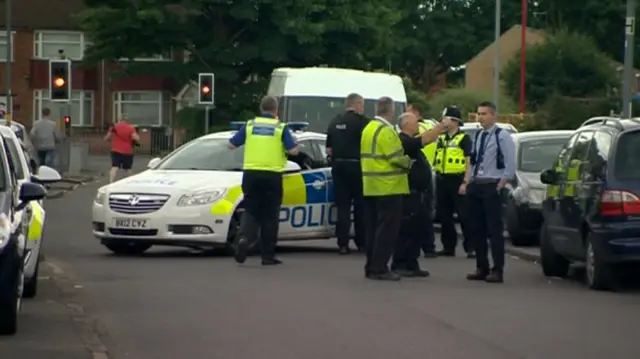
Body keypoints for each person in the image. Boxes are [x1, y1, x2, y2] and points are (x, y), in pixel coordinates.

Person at [231, 96, 299, 266]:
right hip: (272, 176)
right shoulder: (280, 128)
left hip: (251, 173)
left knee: (251, 210)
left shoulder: (249, 125)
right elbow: (294, 151)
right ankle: (267, 255)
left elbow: (231, 145)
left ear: (261, 109)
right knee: (270, 215)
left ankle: (244, 239)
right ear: (276, 110)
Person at [466, 101, 515, 283]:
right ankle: (482, 266)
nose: (481, 117)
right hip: (477, 183)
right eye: (479, 114)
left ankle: (497, 269)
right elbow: (473, 160)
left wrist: (501, 183)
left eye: (485, 114)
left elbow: (510, 162)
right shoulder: (478, 135)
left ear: (493, 115)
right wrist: (469, 180)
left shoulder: (502, 136)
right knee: (476, 228)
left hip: (492, 184)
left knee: (494, 229)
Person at [391, 112, 443, 277]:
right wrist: (441, 126)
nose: (418, 125)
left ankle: (412, 263)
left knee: (417, 229)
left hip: (419, 193)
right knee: (406, 229)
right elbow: (425, 139)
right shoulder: (404, 141)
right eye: (415, 123)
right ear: (406, 124)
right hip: (409, 193)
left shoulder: (410, 141)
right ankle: (400, 263)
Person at [325, 93, 370, 255]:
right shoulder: (363, 122)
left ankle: (342, 244)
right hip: (357, 167)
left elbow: (328, 149)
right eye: (362, 105)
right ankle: (362, 243)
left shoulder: (335, 121)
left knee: (343, 206)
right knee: (360, 206)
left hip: (338, 167)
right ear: (357, 104)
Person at [434, 106, 474, 258]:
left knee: (464, 216)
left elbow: (468, 161)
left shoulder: (464, 139)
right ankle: (448, 247)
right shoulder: (441, 138)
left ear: (454, 121)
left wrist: (465, 182)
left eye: (446, 118)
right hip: (442, 179)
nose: (443, 121)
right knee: (444, 215)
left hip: (457, 180)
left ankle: (470, 247)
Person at [409, 103, 438, 257]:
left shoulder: (420, 129)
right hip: (426, 173)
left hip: (427, 174)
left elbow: (424, 140)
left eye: (410, 112)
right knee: (423, 214)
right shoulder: (429, 126)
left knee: (424, 214)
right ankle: (427, 247)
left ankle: (427, 246)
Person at [104, 117, 140, 183]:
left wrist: (109, 139)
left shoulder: (114, 127)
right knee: (128, 168)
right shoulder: (130, 128)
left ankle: (111, 181)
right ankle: (133, 182)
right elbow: (137, 138)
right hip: (127, 151)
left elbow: (107, 137)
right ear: (127, 121)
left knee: (114, 167)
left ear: (119, 121)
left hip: (116, 150)